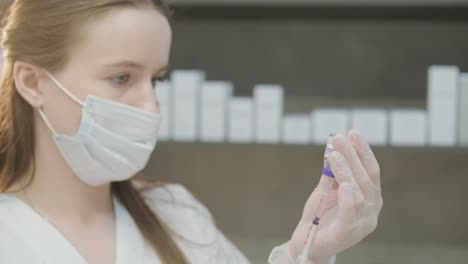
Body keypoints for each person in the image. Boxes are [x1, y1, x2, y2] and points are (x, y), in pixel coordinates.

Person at [0, 1, 383, 263]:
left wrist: (308, 251)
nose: (150, 105)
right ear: (32, 82)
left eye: (157, 79)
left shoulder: (176, 213)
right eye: (122, 78)